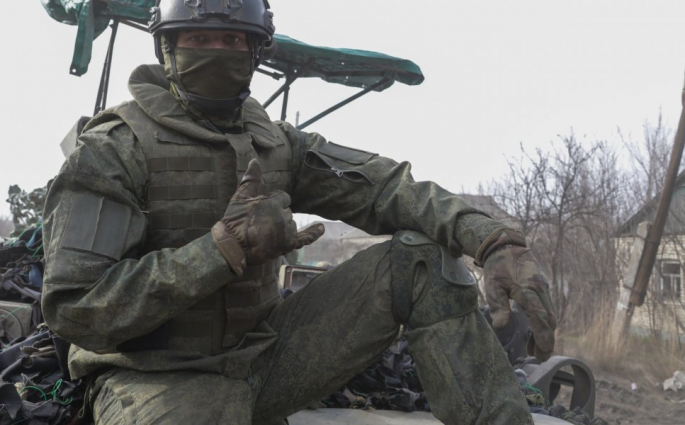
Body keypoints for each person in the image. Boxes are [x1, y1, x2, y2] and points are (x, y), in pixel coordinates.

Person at [41, 1, 557, 424]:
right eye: (199, 39)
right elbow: (76, 308)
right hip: (154, 375)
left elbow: (384, 188)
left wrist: (491, 238)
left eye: (233, 39)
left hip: (265, 358)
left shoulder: (276, 143)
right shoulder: (114, 149)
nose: (217, 51)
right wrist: (219, 250)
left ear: (255, 50)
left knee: (421, 258)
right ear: (168, 47)